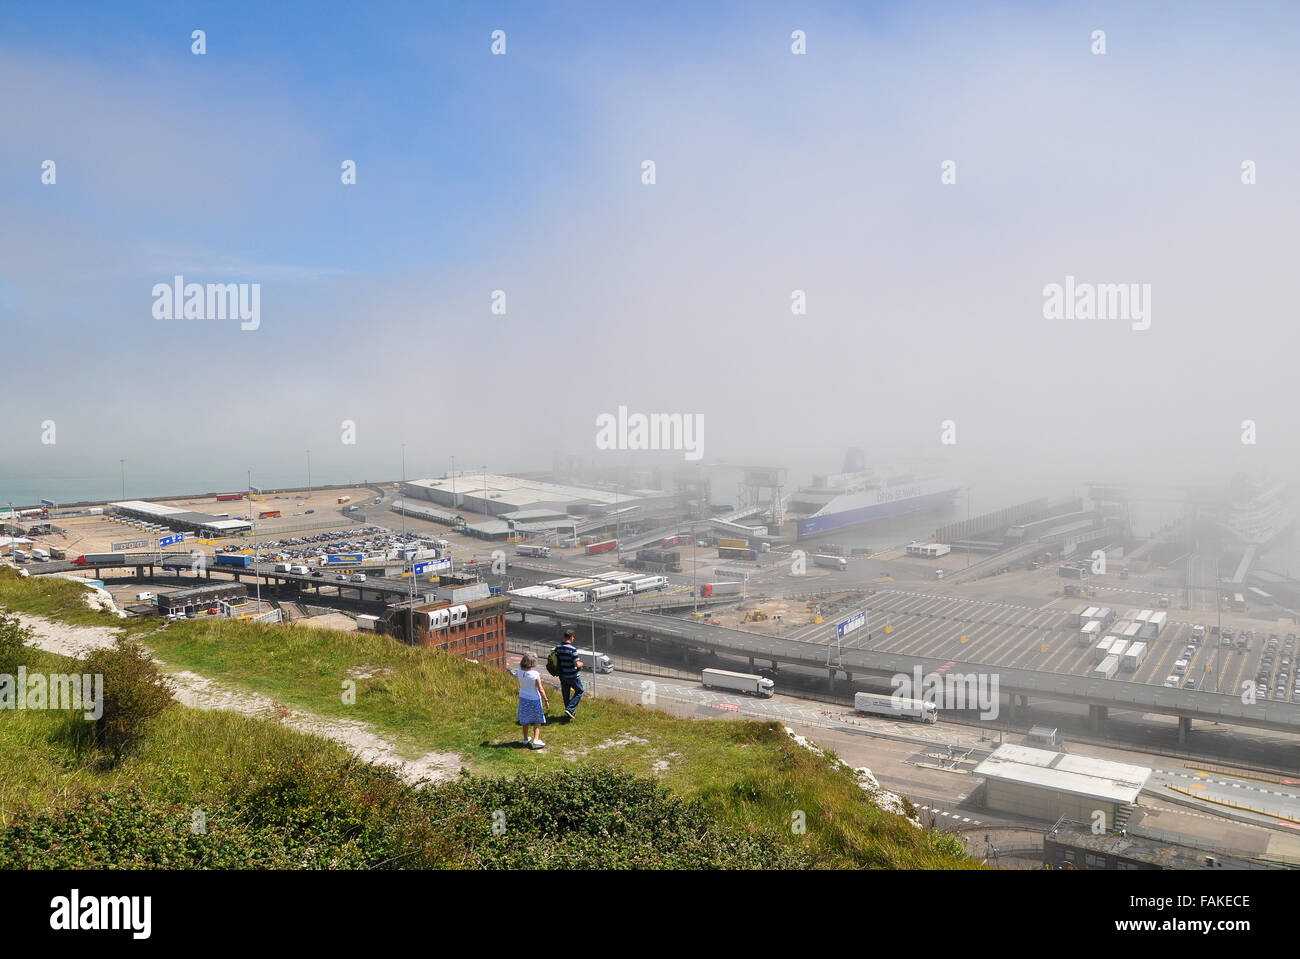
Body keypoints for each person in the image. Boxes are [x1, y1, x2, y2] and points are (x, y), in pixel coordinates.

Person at [515, 651, 548, 749]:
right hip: (534, 698)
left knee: (525, 719)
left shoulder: (519, 671)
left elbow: (522, 667)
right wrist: (546, 700)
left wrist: (526, 654)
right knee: (537, 719)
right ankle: (536, 739)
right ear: (532, 662)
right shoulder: (535, 674)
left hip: (523, 697)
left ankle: (525, 739)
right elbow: (540, 689)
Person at [552, 629, 584, 720]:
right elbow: (577, 664)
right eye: (573, 637)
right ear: (571, 637)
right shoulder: (572, 649)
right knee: (579, 691)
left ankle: (569, 712)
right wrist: (582, 664)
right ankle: (570, 709)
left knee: (566, 694)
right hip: (572, 676)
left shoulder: (558, 647)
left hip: (562, 675)